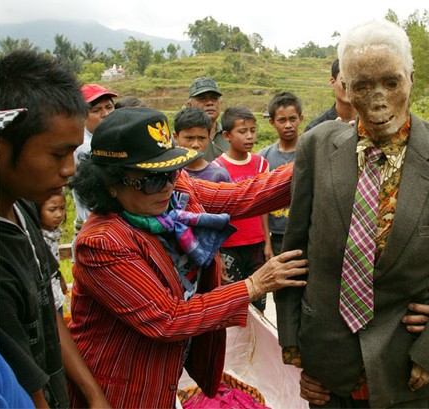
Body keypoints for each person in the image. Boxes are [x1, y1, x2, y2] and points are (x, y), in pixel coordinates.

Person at [275, 19, 429, 408]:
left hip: (408, 367)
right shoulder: (317, 146)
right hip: (327, 365)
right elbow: (295, 252)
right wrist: (294, 347)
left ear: (411, 78)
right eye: (362, 86)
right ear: (343, 87)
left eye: (391, 83)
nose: (378, 99)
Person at [68, 106, 307, 408]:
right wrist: (254, 285)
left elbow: (241, 197)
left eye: (170, 171)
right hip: (120, 388)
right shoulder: (103, 244)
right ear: (112, 184)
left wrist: (313, 160)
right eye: (153, 179)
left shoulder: (172, 195)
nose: (168, 185)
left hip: (163, 377)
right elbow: (168, 318)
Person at [0, 50, 110, 408]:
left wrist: (92, 394)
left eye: (73, 154)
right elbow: (21, 378)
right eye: (57, 154)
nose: (69, 170)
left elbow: (49, 308)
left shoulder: (22, 206)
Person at [213, 107, 271, 311]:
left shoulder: (261, 164)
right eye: (243, 131)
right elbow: (215, 213)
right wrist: (217, 253)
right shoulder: (217, 168)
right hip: (229, 246)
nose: (249, 136)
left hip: (256, 244)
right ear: (227, 135)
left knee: (259, 303)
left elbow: (264, 206)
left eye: (253, 130)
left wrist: (267, 242)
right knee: (235, 304)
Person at [259, 92, 303, 255]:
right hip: (275, 235)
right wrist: (267, 243)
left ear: (301, 118)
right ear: (272, 122)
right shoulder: (263, 158)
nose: (288, 125)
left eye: (292, 119)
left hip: (303, 234)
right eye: (282, 120)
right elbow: (262, 202)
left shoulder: (310, 153)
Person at [72, 83, 118, 238]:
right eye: (96, 110)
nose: (105, 114)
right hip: (97, 229)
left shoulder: (109, 138)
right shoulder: (85, 147)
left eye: (109, 107)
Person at [173, 106, 232, 183]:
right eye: (189, 138)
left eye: (201, 138)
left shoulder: (219, 175)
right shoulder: (169, 174)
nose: (195, 145)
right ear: (176, 137)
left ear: (208, 138)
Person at [36, 192, 69, 314]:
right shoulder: (39, 239)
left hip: (56, 296)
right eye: (52, 210)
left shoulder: (53, 233)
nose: (59, 214)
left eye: (62, 208)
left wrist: (60, 277)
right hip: (47, 302)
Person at [305, 58, 357, 132]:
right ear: (333, 82)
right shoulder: (315, 129)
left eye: (355, 80)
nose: (350, 86)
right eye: (344, 81)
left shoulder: (372, 124)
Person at [187, 77, 229, 161]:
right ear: (189, 105)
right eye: (202, 99)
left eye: (214, 98)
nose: (209, 103)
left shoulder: (231, 135)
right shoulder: (181, 139)